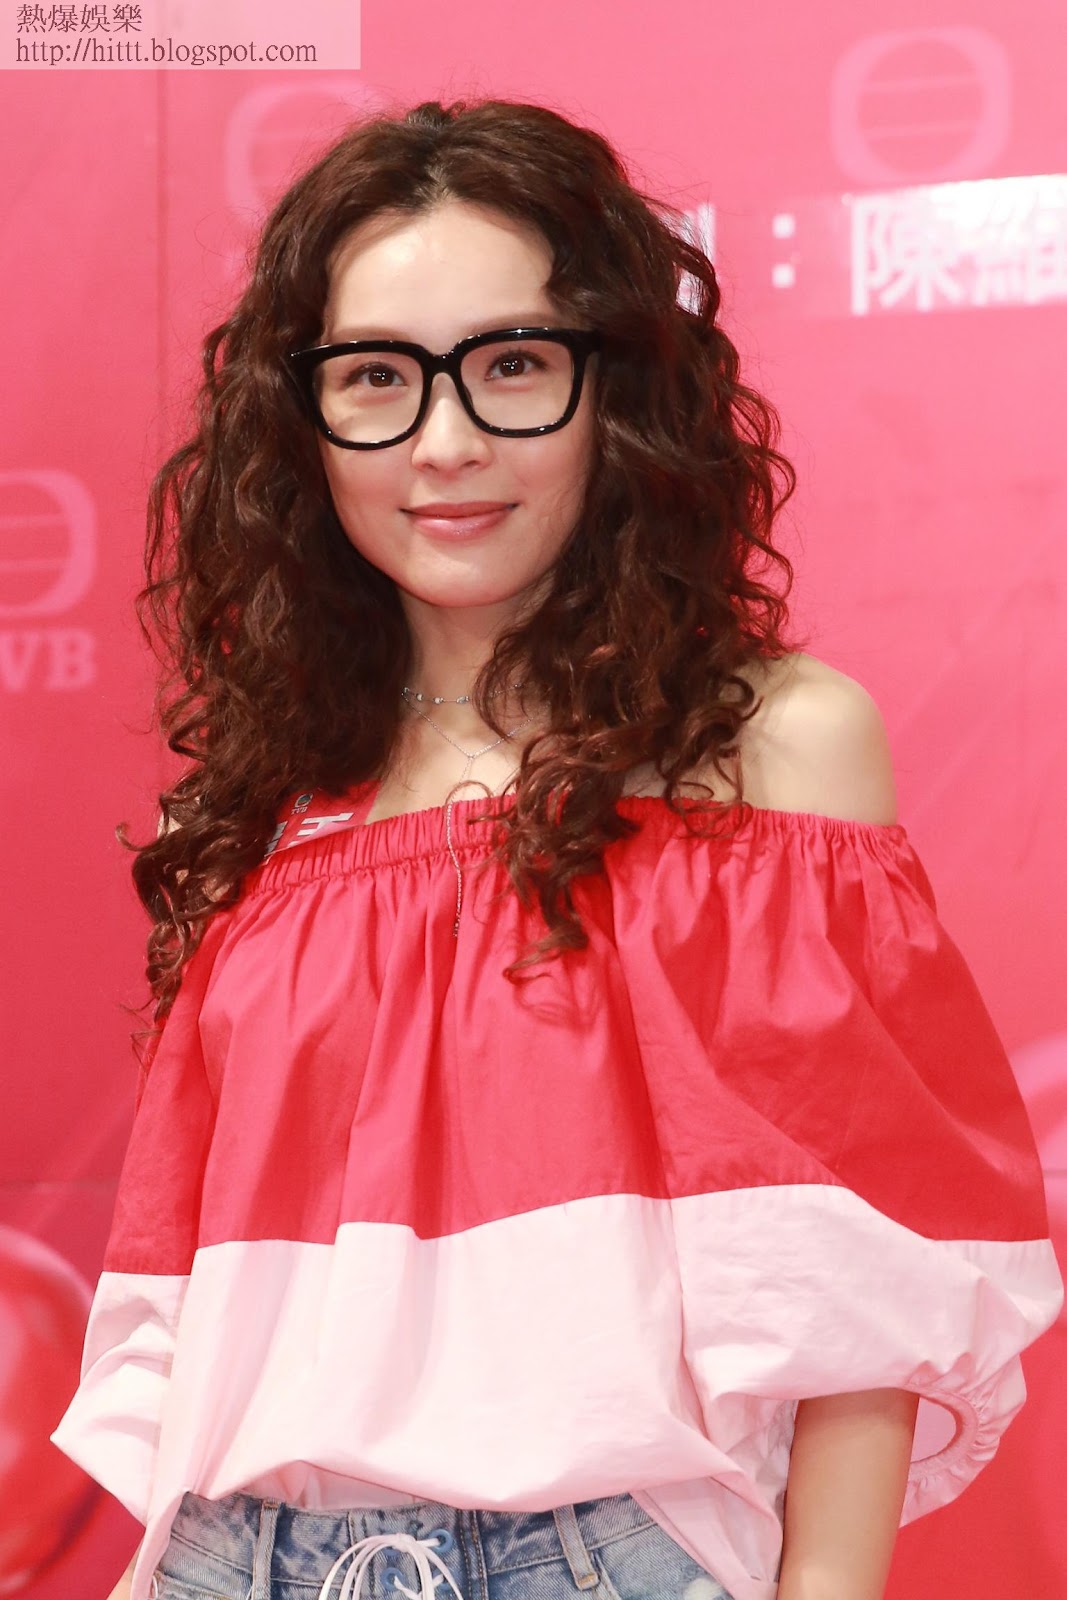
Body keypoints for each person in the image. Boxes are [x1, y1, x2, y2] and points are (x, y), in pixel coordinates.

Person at [51, 97, 1062, 1600]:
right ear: (302, 420)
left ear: (619, 389)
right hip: (231, 1555)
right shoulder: (262, 801)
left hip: (602, 1562)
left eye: (513, 364)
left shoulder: (768, 748)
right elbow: (211, 1305)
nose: (446, 442)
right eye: (378, 377)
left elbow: (853, 1276)